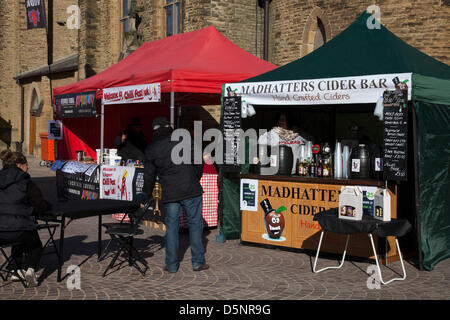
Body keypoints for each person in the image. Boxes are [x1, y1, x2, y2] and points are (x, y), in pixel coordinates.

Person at [141, 117, 208, 273]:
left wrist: (145, 197)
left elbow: (148, 177)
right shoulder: (183, 139)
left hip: (171, 192)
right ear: (168, 126)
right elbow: (199, 161)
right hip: (190, 188)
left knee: (171, 228)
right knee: (195, 225)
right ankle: (197, 262)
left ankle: (171, 264)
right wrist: (194, 178)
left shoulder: (152, 149)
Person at [0, 150, 51, 287]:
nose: (28, 168)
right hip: (21, 229)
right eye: (26, 164)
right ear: (19, 165)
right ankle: (30, 269)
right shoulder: (25, 182)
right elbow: (40, 205)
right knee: (34, 244)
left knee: (16, 234)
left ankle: (16, 270)